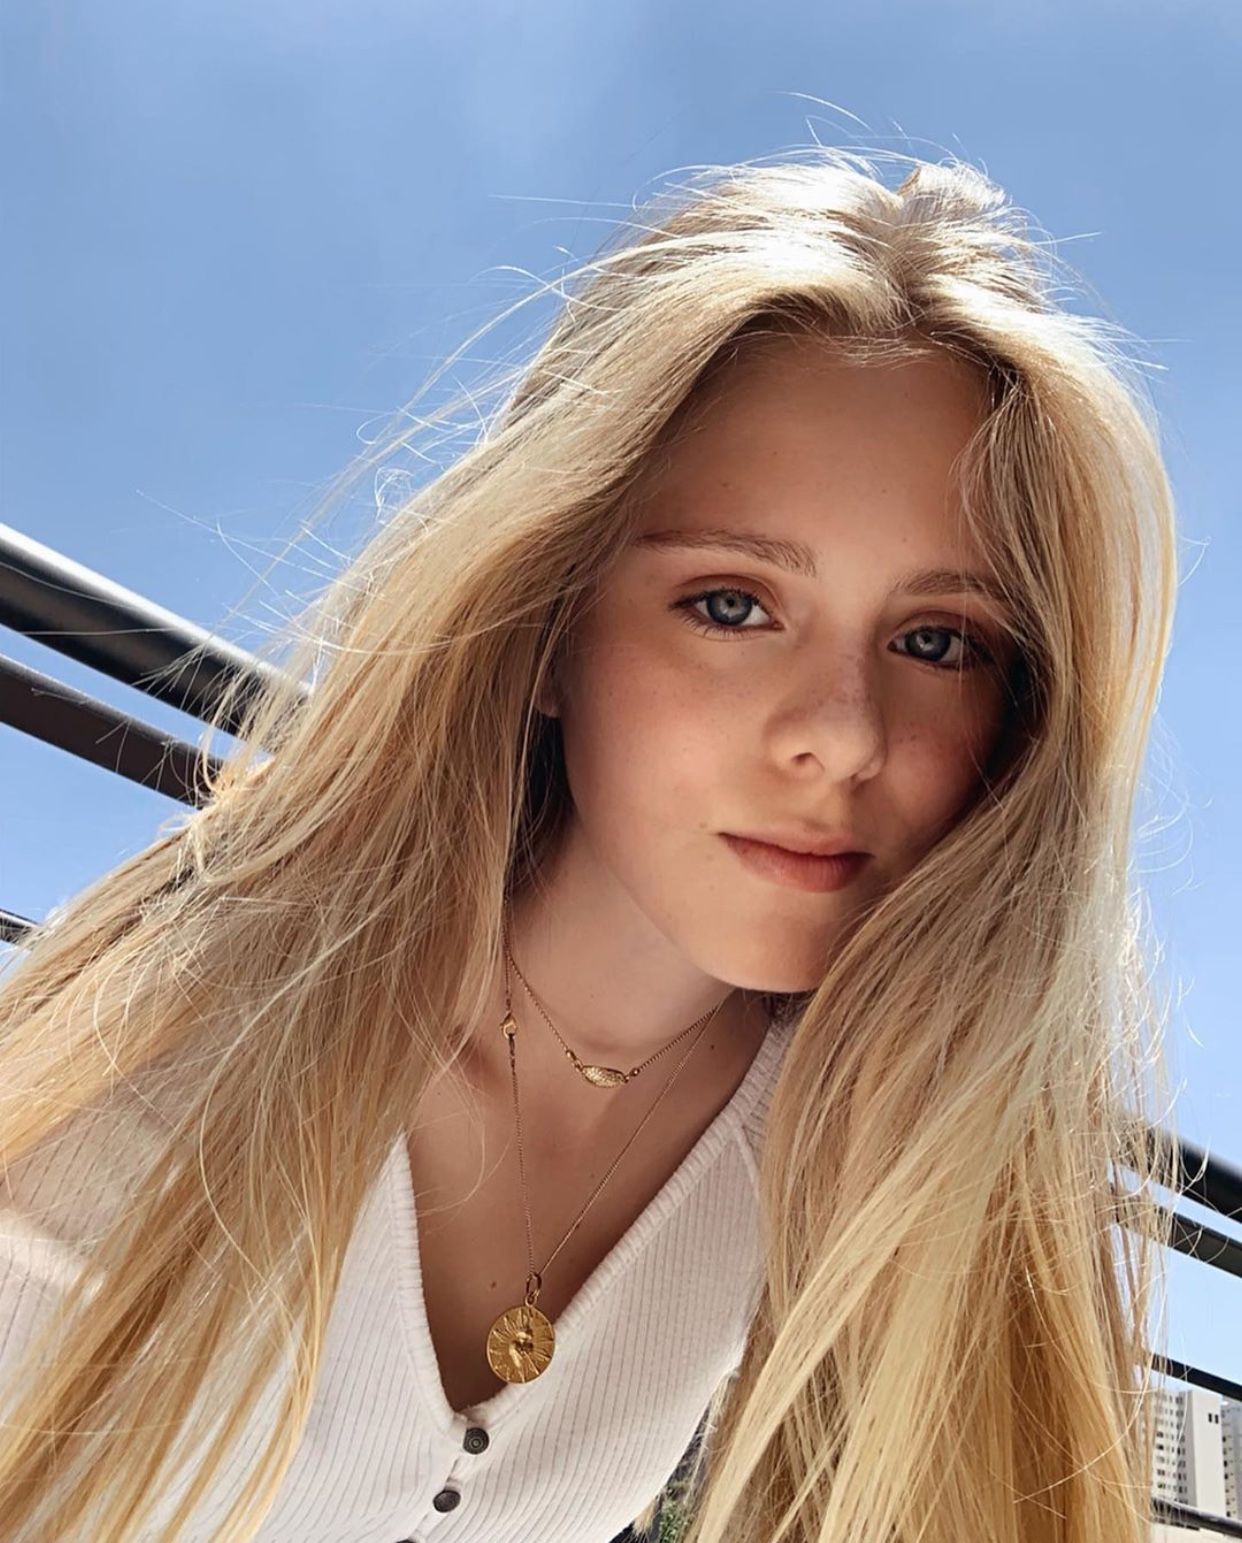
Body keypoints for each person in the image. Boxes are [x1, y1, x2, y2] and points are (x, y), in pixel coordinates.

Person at [0, 146, 1180, 1543]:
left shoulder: (866, 1143)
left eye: (938, 642)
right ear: (552, 626)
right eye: (731, 605)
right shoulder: (173, 1053)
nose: (844, 735)